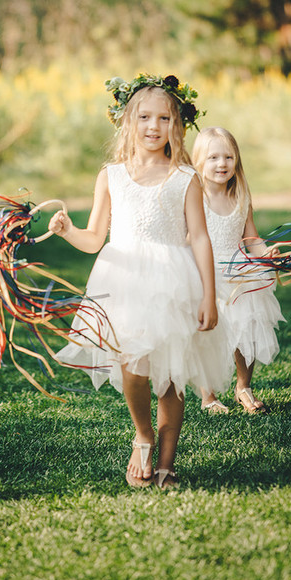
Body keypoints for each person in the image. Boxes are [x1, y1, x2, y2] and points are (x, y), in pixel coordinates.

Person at [49, 75, 229, 489]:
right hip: (124, 279)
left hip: (173, 281)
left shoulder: (186, 178)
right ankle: (143, 433)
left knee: (171, 372)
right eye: (144, 117)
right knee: (134, 365)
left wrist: (210, 296)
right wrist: (67, 231)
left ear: (177, 124)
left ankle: (166, 463)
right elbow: (94, 238)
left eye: (163, 118)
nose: (153, 126)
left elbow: (199, 238)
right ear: (127, 121)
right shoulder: (111, 176)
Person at [191, 126, 285, 415]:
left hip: (241, 272)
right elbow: (189, 239)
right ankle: (209, 395)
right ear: (199, 161)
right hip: (207, 272)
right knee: (210, 335)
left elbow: (251, 238)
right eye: (214, 158)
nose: (222, 164)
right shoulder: (194, 198)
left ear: (237, 160)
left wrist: (265, 253)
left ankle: (243, 385)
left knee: (249, 326)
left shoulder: (241, 195)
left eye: (229, 157)